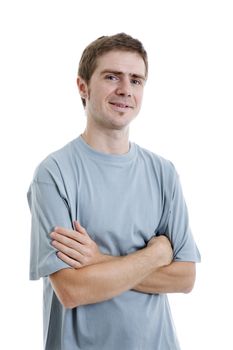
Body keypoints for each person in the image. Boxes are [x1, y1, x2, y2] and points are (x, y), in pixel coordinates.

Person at [27, 33, 201, 350]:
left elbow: (184, 278)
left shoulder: (163, 172)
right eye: (112, 77)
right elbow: (73, 289)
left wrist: (99, 259)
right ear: (83, 86)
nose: (125, 90)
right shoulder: (54, 174)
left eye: (136, 80)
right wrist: (156, 255)